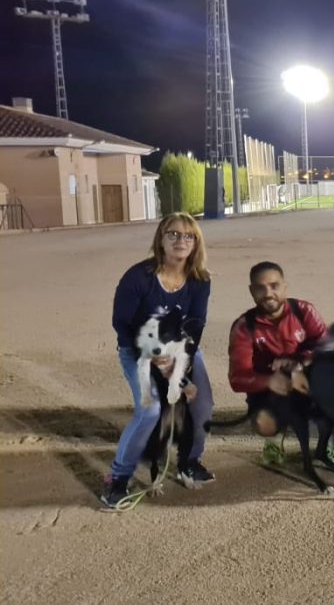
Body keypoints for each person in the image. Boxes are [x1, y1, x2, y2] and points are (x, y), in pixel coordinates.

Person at [101, 213, 217, 508]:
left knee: (201, 403)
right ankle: (117, 478)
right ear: (161, 239)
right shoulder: (138, 277)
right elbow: (122, 324)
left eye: (188, 236)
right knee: (150, 412)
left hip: (180, 350)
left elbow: (195, 326)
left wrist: (181, 367)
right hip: (136, 351)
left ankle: (189, 461)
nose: (181, 240)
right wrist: (154, 359)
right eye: (173, 234)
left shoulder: (200, 280)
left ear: (196, 243)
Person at [227, 261, 334, 468]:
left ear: (285, 286)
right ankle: (274, 439)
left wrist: (299, 363)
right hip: (268, 391)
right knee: (265, 424)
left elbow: (325, 347)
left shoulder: (304, 311)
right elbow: (237, 378)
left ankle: (327, 446)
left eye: (274, 286)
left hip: (303, 378)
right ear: (251, 291)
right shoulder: (244, 327)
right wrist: (269, 381)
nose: (268, 293)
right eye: (261, 288)